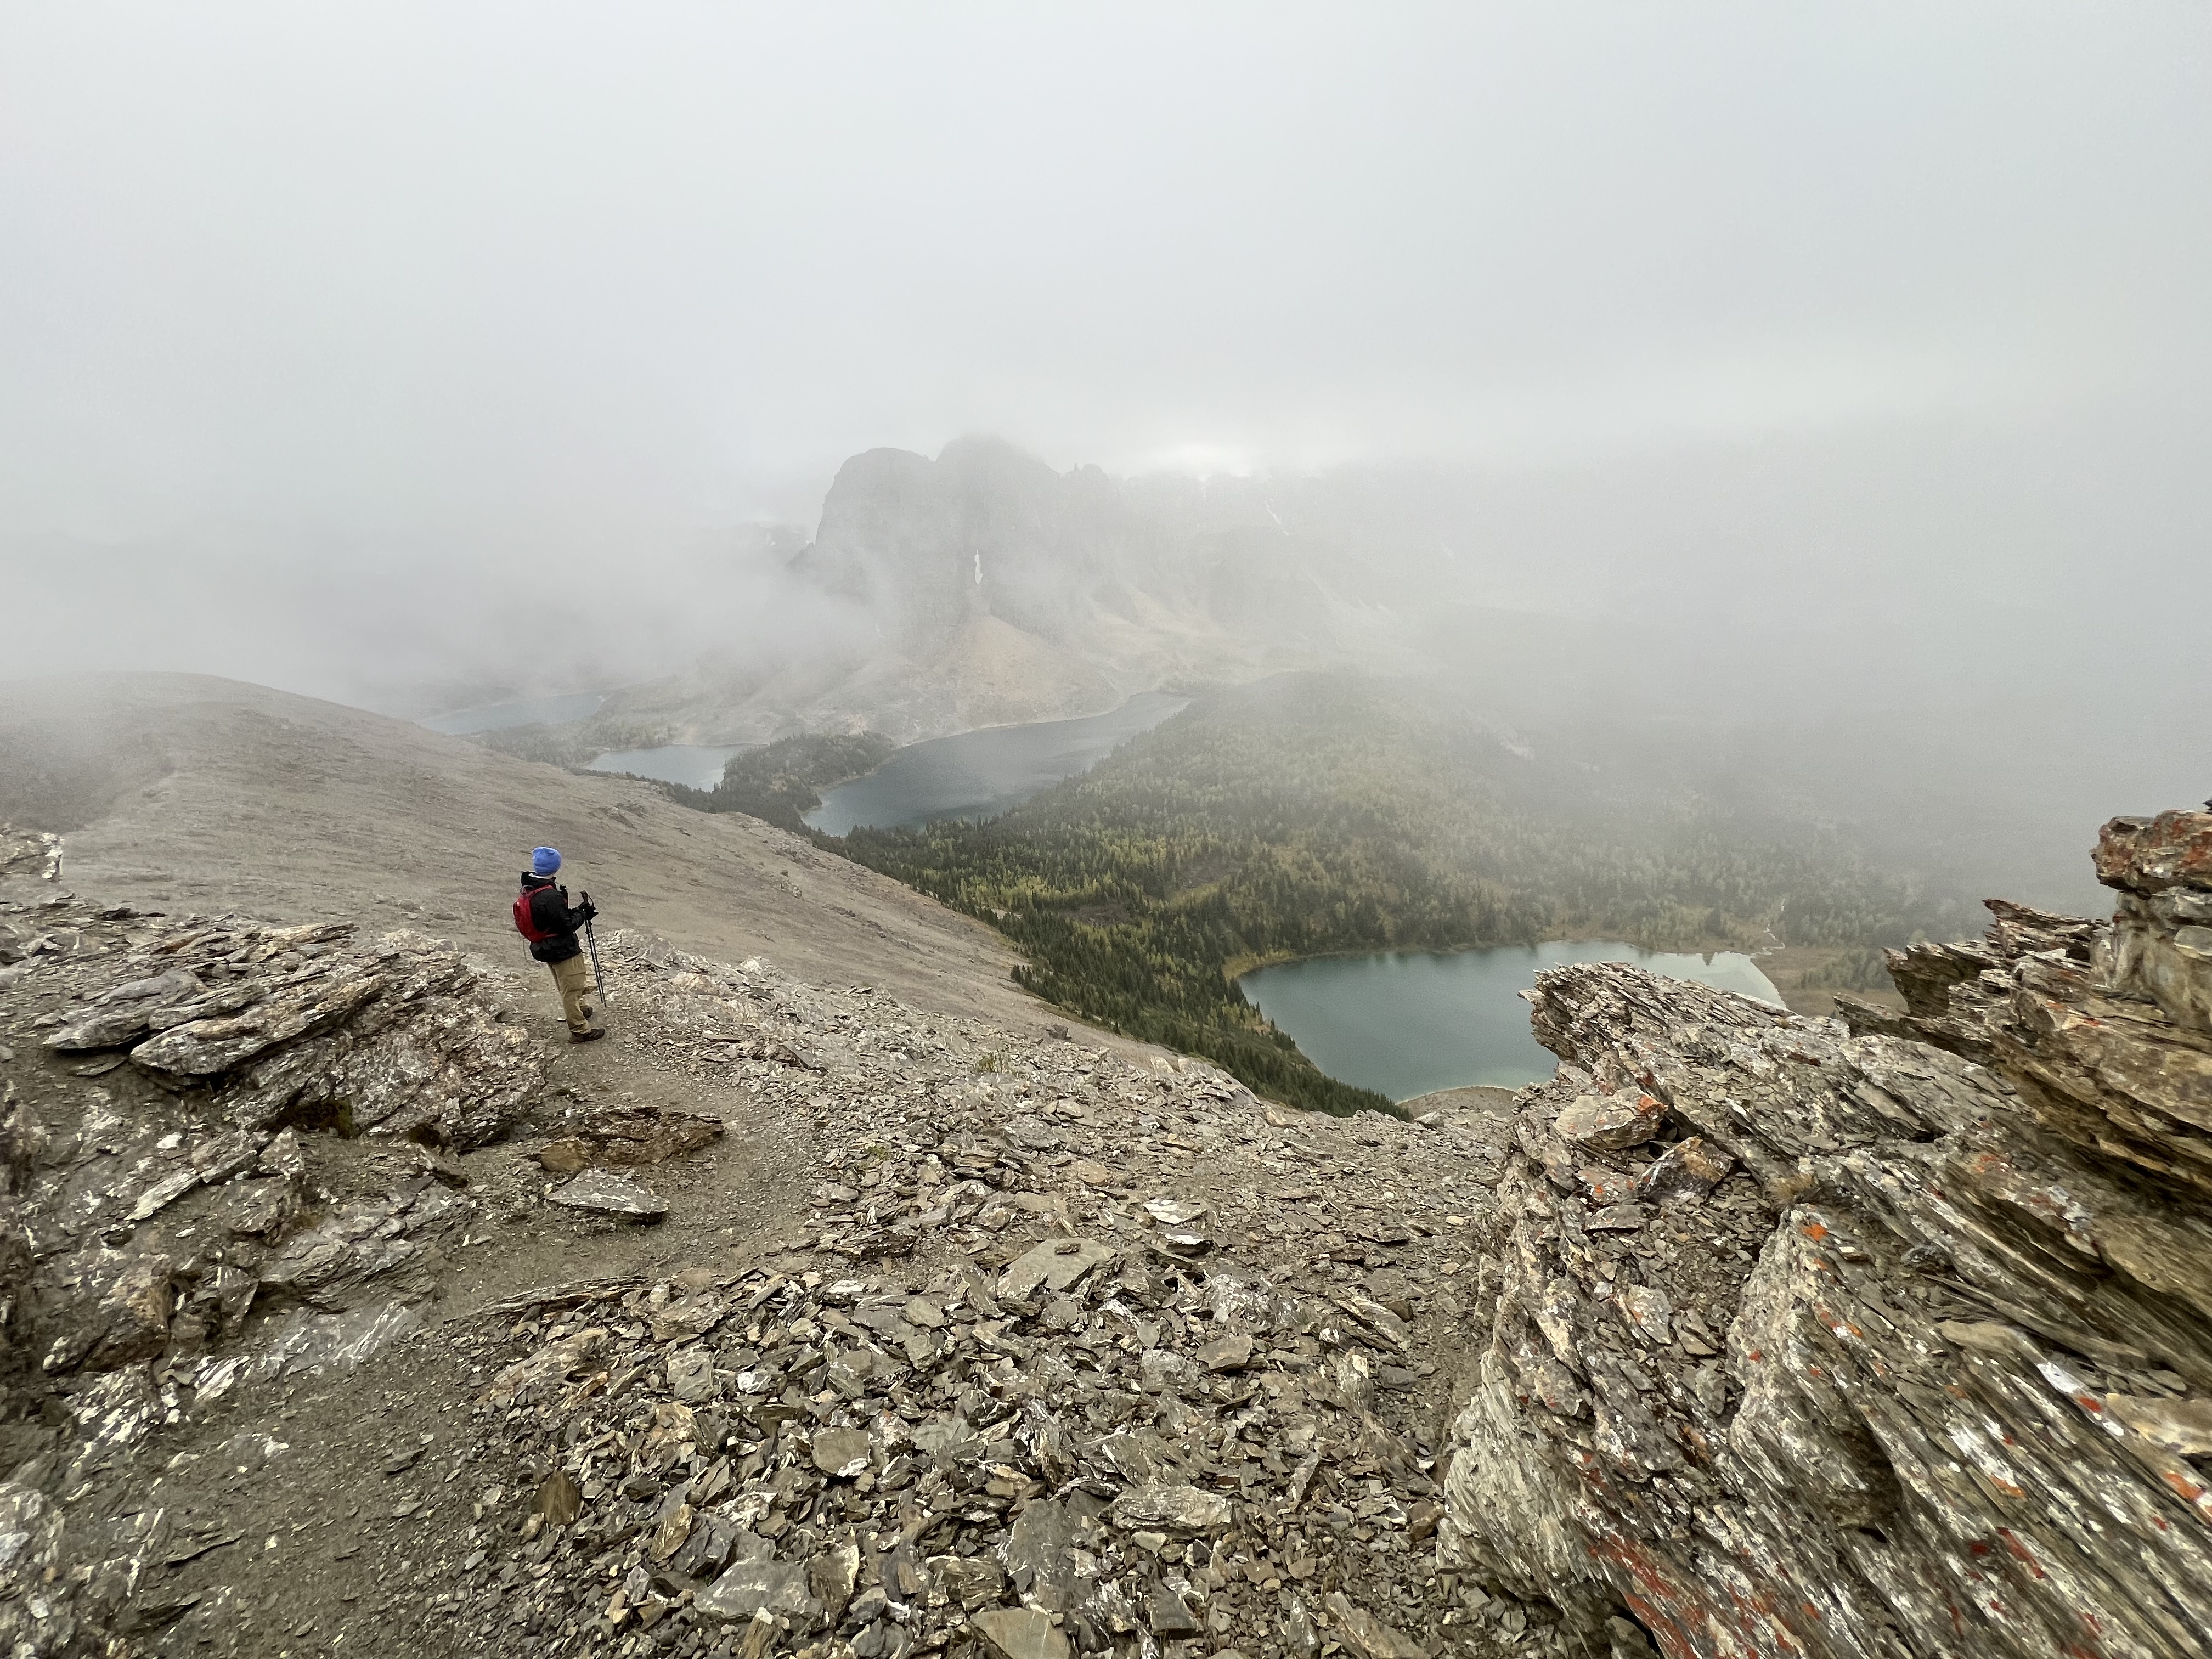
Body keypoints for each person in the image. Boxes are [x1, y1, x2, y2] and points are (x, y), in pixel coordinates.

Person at [512, 845, 606, 1042]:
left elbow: (555, 919)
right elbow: (565, 926)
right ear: (555, 867)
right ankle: (580, 1030)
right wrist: (583, 913)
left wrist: (576, 911)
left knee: (565, 984)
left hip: (545, 946)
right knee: (572, 988)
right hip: (561, 949)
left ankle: (578, 1011)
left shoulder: (531, 888)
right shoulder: (549, 895)